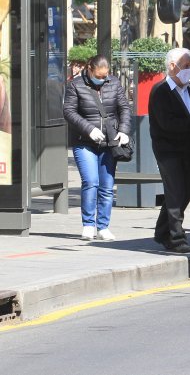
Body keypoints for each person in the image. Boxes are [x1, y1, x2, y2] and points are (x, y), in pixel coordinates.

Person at [63, 55, 131, 241]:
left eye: (105, 76)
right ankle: (88, 225)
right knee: (91, 181)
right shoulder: (75, 85)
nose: (102, 80)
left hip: (109, 141)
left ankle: (103, 226)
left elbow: (124, 108)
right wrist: (89, 129)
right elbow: (69, 111)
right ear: (90, 69)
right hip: (84, 141)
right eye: (99, 76)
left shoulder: (114, 83)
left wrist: (124, 130)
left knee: (107, 186)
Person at [149, 48, 190, 253]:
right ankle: (176, 238)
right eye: (186, 66)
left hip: (186, 147)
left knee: (185, 191)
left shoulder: (189, 90)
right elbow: (167, 123)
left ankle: (162, 231)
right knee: (175, 192)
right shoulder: (161, 91)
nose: (189, 70)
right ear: (172, 66)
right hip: (167, 149)